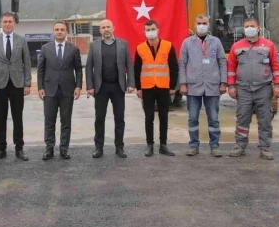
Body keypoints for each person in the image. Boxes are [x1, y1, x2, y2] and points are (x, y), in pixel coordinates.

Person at [226, 18, 279, 160]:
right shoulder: (236, 46)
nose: (249, 28)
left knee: (265, 119)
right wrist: (231, 86)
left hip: (263, 88)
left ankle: (265, 147)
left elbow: (276, 66)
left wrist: (278, 85)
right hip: (243, 89)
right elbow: (231, 68)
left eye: (252, 26)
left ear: (258, 28)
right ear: (243, 29)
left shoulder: (269, 45)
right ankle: (240, 146)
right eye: (247, 26)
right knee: (242, 118)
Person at [178, 14, 228, 157]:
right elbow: (182, 64)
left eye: (204, 23)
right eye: (199, 23)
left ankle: (215, 145)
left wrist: (223, 82)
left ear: (208, 24)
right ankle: (194, 145)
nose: (202, 26)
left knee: (213, 118)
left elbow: (222, 62)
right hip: (193, 86)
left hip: (212, 86)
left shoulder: (216, 42)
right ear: (195, 25)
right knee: (193, 117)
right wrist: (183, 84)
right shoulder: (187, 43)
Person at [86, 19, 135, 159]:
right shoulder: (94, 45)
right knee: (99, 118)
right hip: (101, 87)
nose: (106, 29)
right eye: (103, 27)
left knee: (119, 118)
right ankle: (98, 148)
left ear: (113, 28)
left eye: (108, 27)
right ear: (100, 30)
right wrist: (90, 86)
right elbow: (89, 67)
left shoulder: (123, 44)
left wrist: (131, 83)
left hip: (118, 87)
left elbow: (129, 65)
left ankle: (119, 147)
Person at [0, 12, 32, 161]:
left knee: (18, 117)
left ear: (14, 23)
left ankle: (19, 148)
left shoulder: (21, 40)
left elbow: (27, 64)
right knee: (1, 118)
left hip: (17, 84)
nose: (7, 24)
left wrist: (27, 84)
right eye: (5, 21)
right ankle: (1, 149)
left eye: (10, 21)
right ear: (1, 23)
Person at [37, 21, 83, 161]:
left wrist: (78, 86)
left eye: (62, 29)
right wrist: (40, 87)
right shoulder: (45, 48)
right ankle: (49, 149)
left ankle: (64, 149)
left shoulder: (73, 49)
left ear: (66, 32)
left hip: (67, 91)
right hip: (49, 90)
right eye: (57, 29)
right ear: (53, 32)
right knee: (49, 121)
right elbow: (40, 70)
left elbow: (78, 70)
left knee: (66, 121)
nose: (59, 32)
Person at [134, 20, 179, 157]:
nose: (150, 32)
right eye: (147, 30)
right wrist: (138, 88)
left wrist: (172, 86)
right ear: (144, 32)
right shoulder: (140, 48)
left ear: (158, 30)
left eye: (152, 29)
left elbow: (174, 67)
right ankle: (150, 145)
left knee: (163, 116)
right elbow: (136, 69)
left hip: (163, 87)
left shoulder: (168, 46)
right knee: (149, 117)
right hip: (147, 87)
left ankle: (163, 145)